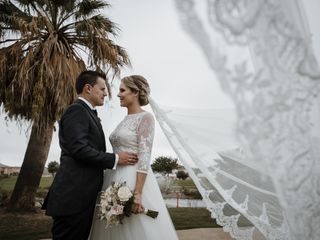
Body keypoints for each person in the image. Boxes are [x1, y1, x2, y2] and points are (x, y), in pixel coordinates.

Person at [42, 70, 138, 240]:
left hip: (82, 197)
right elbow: (79, 149)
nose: (106, 93)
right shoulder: (76, 111)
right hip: (73, 198)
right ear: (88, 88)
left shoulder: (88, 113)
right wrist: (115, 158)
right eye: (102, 89)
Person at [89, 75, 178, 240]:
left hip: (132, 181)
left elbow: (144, 157)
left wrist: (137, 193)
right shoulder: (124, 120)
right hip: (113, 180)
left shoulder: (146, 118)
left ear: (135, 92)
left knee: (133, 222)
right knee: (114, 218)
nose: (118, 95)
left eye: (122, 90)